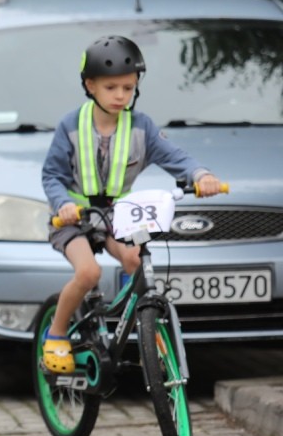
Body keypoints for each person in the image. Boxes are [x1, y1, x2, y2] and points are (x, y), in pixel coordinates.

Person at [40, 36, 223, 373]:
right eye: (111, 88)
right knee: (88, 272)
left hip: (116, 216)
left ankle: (143, 328)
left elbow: (175, 157)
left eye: (128, 87)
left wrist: (201, 175)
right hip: (73, 219)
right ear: (90, 86)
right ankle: (57, 332)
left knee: (135, 259)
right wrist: (62, 204)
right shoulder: (70, 126)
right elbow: (52, 175)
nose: (120, 95)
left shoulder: (141, 127)